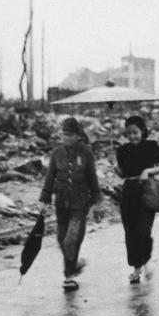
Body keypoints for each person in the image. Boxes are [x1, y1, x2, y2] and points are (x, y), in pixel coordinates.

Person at [38, 117, 105, 291]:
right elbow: (50, 178)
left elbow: (93, 179)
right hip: (61, 202)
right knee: (61, 239)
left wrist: (98, 202)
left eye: (69, 135)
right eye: (63, 134)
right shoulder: (57, 153)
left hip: (80, 203)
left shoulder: (86, 153)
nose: (65, 138)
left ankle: (69, 276)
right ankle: (74, 264)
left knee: (71, 240)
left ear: (77, 136)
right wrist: (44, 200)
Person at [114, 115, 159, 284]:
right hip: (129, 193)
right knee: (130, 232)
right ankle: (136, 268)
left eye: (135, 132)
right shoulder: (122, 150)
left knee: (143, 231)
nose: (132, 136)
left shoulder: (151, 146)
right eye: (129, 133)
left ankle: (146, 262)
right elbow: (123, 174)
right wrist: (116, 169)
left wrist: (147, 172)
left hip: (147, 191)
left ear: (142, 130)